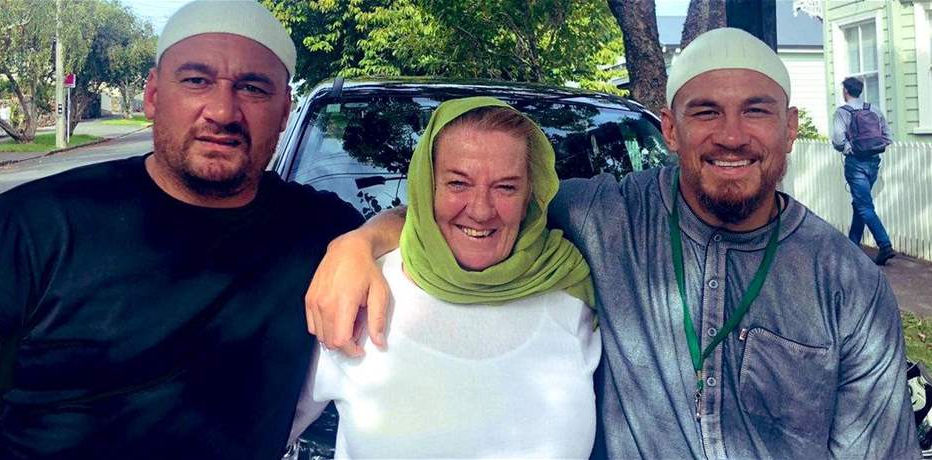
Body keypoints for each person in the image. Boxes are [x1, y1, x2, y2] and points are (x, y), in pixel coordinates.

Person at [304, 28, 920, 458]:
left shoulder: (847, 284)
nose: (732, 136)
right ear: (671, 129)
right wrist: (356, 245)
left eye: (756, 111)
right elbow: (476, 213)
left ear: (790, 128)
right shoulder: (608, 217)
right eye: (706, 112)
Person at [0, 1, 362, 459]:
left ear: (284, 112)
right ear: (153, 95)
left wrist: (367, 240)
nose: (222, 111)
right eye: (197, 80)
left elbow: (432, 225)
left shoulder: (322, 233)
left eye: (252, 88)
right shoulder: (31, 227)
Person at [290, 97, 600, 458]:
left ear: (529, 195)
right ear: (427, 188)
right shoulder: (356, 290)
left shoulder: (572, 291)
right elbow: (263, 432)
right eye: (458, 183)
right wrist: (356, 243)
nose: (481, 211)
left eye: (506, 187)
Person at [831, 76, 895, 265]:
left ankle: (885, 245)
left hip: (856, 164)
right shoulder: (874, 109)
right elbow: (888, 137)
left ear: (845, 91)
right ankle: (852, 246)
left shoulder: (843, 112)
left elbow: (838, 140)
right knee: (859, 203)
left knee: (864, 206)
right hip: (874, 163)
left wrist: (851, 149)